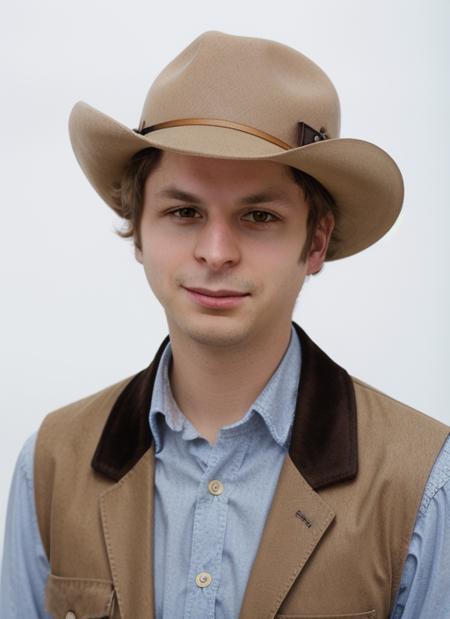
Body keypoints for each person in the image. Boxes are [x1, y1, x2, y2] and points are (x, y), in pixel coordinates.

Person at [1, 30, 449, 619]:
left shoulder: (421, 484)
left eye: (258, 215)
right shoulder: (51, 466)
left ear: (315, 241)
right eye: (183, 211)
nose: (216, 252)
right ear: (139, 228)